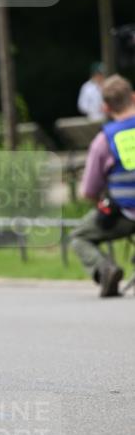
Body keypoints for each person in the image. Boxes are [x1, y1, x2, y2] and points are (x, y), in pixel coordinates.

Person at [70, 73, 135, 297]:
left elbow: (88, 191)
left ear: (105, 108)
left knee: (79, 236)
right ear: (134, 97)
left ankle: (105, 269)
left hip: (125, 214)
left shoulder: (104, 140)